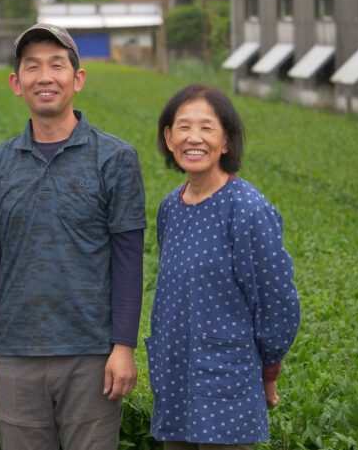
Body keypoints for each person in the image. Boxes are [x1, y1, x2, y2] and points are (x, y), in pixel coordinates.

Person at [0, 23, 147, 450]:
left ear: (77, 79)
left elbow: (128, 261)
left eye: (56, 65)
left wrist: (123, 345)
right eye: (32, 67)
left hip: (92, 356)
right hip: (15, 356)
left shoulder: (115, 159)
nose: (44, 77)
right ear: (16, 83)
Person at [146, 84, 301, 449]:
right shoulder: (171, 207)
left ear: (227, 141)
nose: (193, 138)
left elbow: (277, 300)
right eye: (183, 127)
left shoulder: (246, 208)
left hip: (227, 386)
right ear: (168, 138)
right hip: (176, 381)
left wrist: (270, 369)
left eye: (207, 128)